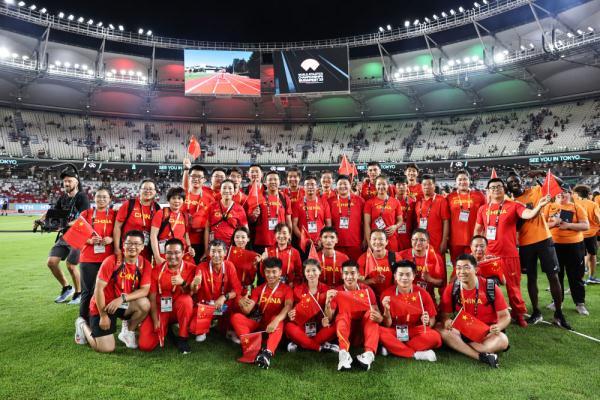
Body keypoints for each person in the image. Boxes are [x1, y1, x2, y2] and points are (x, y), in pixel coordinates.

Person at [474, 178, 550, 327]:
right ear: (488, 191)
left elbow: (528, 214)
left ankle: (518, 314)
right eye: (493, 187)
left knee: (513, 287)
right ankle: (488, 313)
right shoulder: (483, 209)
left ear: (504, 189)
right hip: (489, 255)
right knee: (486, 286)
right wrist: (475, 248)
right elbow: (477, 229)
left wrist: (539, 206)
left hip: (509, 255)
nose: (496, 189)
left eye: (499, 187)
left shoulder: (514, 205)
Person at [506, 172, 569, 327]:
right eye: (511, 182)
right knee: (531, 278)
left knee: (553, 276)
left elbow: (559, 184)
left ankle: (559, 313)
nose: (514, 183)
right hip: (525, 244)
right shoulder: (509, 203)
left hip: (544, 239)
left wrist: (543, 173)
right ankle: (536, 312)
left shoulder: (534, 190)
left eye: (516, 180)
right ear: (508, 187)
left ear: (522, 181)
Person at [75, 230, 151, 353]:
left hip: (121, 302)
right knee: (106, 348)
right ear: (123, 244)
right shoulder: (111, 261)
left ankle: (128, 332)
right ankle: (82, 325)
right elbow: (98, 289)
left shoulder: (145, 264)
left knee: (145, 304)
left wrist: (122, 299)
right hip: (104, 305)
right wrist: (103, 315)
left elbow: (145, 290)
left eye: (137, 244)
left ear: (142, 246)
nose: (132, 247)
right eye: (129, 243)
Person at [437, 254, 510, 368]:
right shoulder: (452, 288)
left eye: (466, 267)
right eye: (458, 268)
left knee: (503, 340)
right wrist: (446, 321)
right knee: (439, 329)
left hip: (486, 333)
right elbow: (444, 315)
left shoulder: (490, 286)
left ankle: (458, 346)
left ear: (476, 270)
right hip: (462, 331)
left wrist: (499, 326)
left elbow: (505, 316)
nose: (462, 271)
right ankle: (479, 356)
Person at [231, 257, 294, 369]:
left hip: (276, 328)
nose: (270, 275)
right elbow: (247, 310)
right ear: (264, 272)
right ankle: (251, 349)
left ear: (280, 272)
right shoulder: (259, 289)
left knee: (277, 318)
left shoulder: (287, 289)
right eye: (267, 272)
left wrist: (276, 320)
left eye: (274, 272)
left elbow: (288, 306)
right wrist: (242, 302)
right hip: (260, 326)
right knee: (236, 317)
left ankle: (267, 354)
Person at [139, 239, 196, 354]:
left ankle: (183, 337)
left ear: (183, 253)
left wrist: (183, 283)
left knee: (186, 300)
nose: (173, 256)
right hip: (161, 309)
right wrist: (155, 320)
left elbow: (191, 293)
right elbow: (152, 298)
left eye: (177, 252)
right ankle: (166, 328)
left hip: (178, 309)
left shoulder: (191, 268)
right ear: (164, 254)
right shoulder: (156, 271)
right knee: (145, 345)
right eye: (169, 253)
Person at [74, 187, 116, 345]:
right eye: (99, 196)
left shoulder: (114, 215)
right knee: (87, 292)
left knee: (104, 291)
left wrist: (111, 239)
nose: (101, 199)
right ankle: (81, 323)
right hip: (88, 258)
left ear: (110, 199)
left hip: (108, 259)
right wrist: (90, 241)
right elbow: (76, 234)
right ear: (94, 198)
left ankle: (98, 321)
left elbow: (118, 233)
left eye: (105, 197)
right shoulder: (86, 214)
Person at [42, 168, 90, 304]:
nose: (66, 183)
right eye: (65, 181)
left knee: (71, 265)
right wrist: (41, 220)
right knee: (51, 262)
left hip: (79, 235)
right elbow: (53, 212)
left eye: (69, 181)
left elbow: (83, 218)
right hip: (65, 235)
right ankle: (67, 288)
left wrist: (65, 224)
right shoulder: (62, 198)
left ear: (76, 182)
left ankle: (79, 293)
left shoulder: (82, 197)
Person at [379, 260, 442, 361]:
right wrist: (386, 311)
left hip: (415, 331)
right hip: (395, 331)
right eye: (401, 274)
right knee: (380, 332)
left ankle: (393, 348)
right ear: (395, 276)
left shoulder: (423, 293)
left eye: (408, 274)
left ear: (413, 276)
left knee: (435, 337)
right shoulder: (386, 294)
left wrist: (427, 321)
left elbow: (431, 320)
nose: (404, 278)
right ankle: (415, 354)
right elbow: (387, 325)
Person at [325, 260, 382, 371]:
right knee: (342, 314)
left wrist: (379, 318)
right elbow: (329, 317)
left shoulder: (367, 290)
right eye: (346, 273)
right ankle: (343, 354)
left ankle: (369, 355)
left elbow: (378, 315)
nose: (349, 277)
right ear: (342, 275)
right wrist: (327, 303)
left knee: (371, 314)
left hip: (363, 332)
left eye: (352, 273)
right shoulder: (337, 291)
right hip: (346, 331)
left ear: (358, 275)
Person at [543, 187, 590, 316]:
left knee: (576, 276)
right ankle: (557, 302)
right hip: (554, 245)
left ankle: (580, 303)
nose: (561, 194)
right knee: (556, 276)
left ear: (569, 194)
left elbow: (586, 226)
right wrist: (554, 223)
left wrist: (569, 225)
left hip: (575, 246)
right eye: (558, 192)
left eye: (564, 192)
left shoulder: (577, 207)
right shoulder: (548, 206)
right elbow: (542, 225)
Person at [191, 239, 242, 341]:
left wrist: (224, 297)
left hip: (222, 304)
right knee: (193, 328)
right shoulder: (201, 267)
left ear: (225, 253)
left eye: (219, 251)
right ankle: (205, 326)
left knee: (238, 300)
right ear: (209, 253)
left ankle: (228, 329)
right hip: (205, 305)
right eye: (213, 251)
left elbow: (237, 289)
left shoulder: (229, 266)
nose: (216, 255)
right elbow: (194, 291)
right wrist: (195, 284)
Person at [285, 259, 339, 353]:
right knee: (289, 326)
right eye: (308, 271)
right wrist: (291, 314)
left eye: (314, 270)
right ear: (304, 273)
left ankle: (302, 343)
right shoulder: (297, 289)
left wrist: (327, 304)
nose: (311, 274)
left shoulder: (327, 289)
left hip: (320, 326)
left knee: (335, 325)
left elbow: (329, 318)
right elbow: (294, 314)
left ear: (320, 271)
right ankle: (320, 347)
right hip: (303, 327)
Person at [113, 179, 161, 261]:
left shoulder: (157, 208)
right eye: (145, 188)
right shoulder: (129, 204)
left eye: (150, 189)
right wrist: (117, 248)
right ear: (139, 190)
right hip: (128, 249)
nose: (147, 191)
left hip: (146, 251)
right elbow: (117, 227)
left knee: (143, 268)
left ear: (155, 192)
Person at [447, 170, 486, 264]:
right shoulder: (449, 197)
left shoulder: (479, 195)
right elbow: (446, 219)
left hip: (474, 239)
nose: (462, 182)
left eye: (465, 179)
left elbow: (485, 216)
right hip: (455, 240)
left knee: (473, 266)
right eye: (460, 179)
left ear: (469, 180)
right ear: (456, 182)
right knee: (457, 267)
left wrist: (483, 235)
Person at [397, 229, 446, 303]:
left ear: (427, 242)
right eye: (415, 239)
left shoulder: (436, 258)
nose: (418, 242)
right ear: (411, 240)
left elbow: (441, 283)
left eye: (422, 240)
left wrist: (429, 279)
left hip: (427, 297)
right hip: (406, 297)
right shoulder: (401, 256)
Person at [249, 171, 292, 254]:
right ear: (265, 182)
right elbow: (251, 220)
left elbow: (288, 221)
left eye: (275, 179)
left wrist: (290, 237)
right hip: (262, 242)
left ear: (279, 182)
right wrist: (254, 216)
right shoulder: (258, 196)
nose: (273, 182)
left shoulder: (284, 198)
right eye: (270, 180)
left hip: (280, 240)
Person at [181, 161, 215, 263]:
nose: (196, 179)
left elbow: (210, 225)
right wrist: (186, 169)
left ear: (204, 180)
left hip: (200, 242)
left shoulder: (210, 199)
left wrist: (206, 249)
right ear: (189, 177)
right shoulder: (181, 196)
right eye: (193, 176)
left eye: (199, 177)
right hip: (182, 241)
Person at [150, 187, 193, 265]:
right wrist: (157, 256)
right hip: (165, 253)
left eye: (179, 198)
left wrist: (190, 247)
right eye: (173, 198)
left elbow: (186, 235)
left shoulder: (184, 216)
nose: (176, 201)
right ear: (168, 200)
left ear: (183, 200)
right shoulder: (161, 213)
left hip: (180, 253)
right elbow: (153, 236)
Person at [205, 179, 248, 255]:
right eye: (224, 188)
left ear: (234, 191)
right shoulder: (212, 206)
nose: (227, 190)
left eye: (230, 188)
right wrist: (206, 250)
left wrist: (242, 250)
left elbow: (245, 231)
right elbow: (207, 229)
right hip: (215, 247)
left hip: (232, 248)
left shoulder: (239, 208)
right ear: (220, 191)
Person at [328, 175, 365, 262]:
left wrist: (365, 239)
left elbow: (365, 222)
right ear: (336, 186)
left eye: (345, 184)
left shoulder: (360, 201)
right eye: (340, 184)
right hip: (336, 243)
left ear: (350, 185)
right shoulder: (330, 201)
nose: (342, 186)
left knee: (354, 268)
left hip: (355, 243)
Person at [364, 175, 403, 252]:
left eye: (384, 184)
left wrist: (395, 226)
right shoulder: (369, 203)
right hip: (375, 241)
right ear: (375, 186)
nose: (381, 187)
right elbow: (367, 224)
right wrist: (369, 242)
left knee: (392, 259)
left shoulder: (395, 202)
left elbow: (400, 220)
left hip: (391, 239)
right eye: (379, 184)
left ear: (388, 185)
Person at [292, 175, 332, 248]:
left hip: (320, 243)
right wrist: (304, 239)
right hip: (303, 245)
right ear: (304, 187)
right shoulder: (297, 203)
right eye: (307, 185)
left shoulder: (323, 202)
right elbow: (294, 225)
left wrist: (323, 239)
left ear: (316, 187)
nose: (310, 187)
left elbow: (328, 224)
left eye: (313, 184)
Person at [415, 174, 450, 256]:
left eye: (429, 184)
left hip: (437, 242)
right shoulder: (419, 201)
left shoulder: (441, 200)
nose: (427, 187)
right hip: (422, 241)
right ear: (421, 186)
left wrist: (444, 241)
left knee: (438, 263)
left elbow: (446, 221)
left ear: (434, 186)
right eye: (424, 184)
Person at [572, 185, 600, 284]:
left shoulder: (574, 204)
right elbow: (598, 218)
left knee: (580, 257)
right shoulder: (593, 204)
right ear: (588, 194)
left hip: (578, 234)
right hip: (591, 234)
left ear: (577, 194)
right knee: (592, 255)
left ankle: (580, 278)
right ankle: (591, 277)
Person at [357, 229, 397, 298]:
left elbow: (401, 282)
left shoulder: (395, 257)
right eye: (374, 239)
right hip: (369, 296)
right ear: (370, 241)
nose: (377, 242)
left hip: (390, 296)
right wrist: (372, 280)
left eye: (381, 239)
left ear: (387, 242)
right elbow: (357, 282)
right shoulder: (363, 258)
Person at [394, 176, 417, 251]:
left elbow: (415, 221)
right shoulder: (390, 202)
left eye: (403, 184)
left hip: (408, 237)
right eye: (398, 185)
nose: (401, 187)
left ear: (407, 186)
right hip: (394, 236)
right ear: (395, 187)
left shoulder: (413, 202)